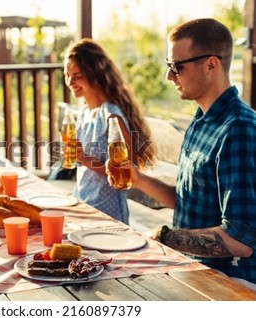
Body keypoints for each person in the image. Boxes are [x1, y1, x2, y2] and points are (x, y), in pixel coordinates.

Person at [107, 18, 256, 287]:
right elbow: (190, 202)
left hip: (231, 283)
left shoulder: (239, 130)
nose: (169, 76)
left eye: (177, 67)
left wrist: (166, 237)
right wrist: (138, 179)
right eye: (169, 66)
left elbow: (241, 239)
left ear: (212, 64)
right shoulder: (201, 120)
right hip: (193, 268)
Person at [62, 38, 157, 224]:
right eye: (67, 75)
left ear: (94, 73)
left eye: (77, 75)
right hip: (83, 202)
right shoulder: (84, 112)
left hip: (106, 213)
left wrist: (83, 159)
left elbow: (126, 170)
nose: (70, 81)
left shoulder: (112, 116)